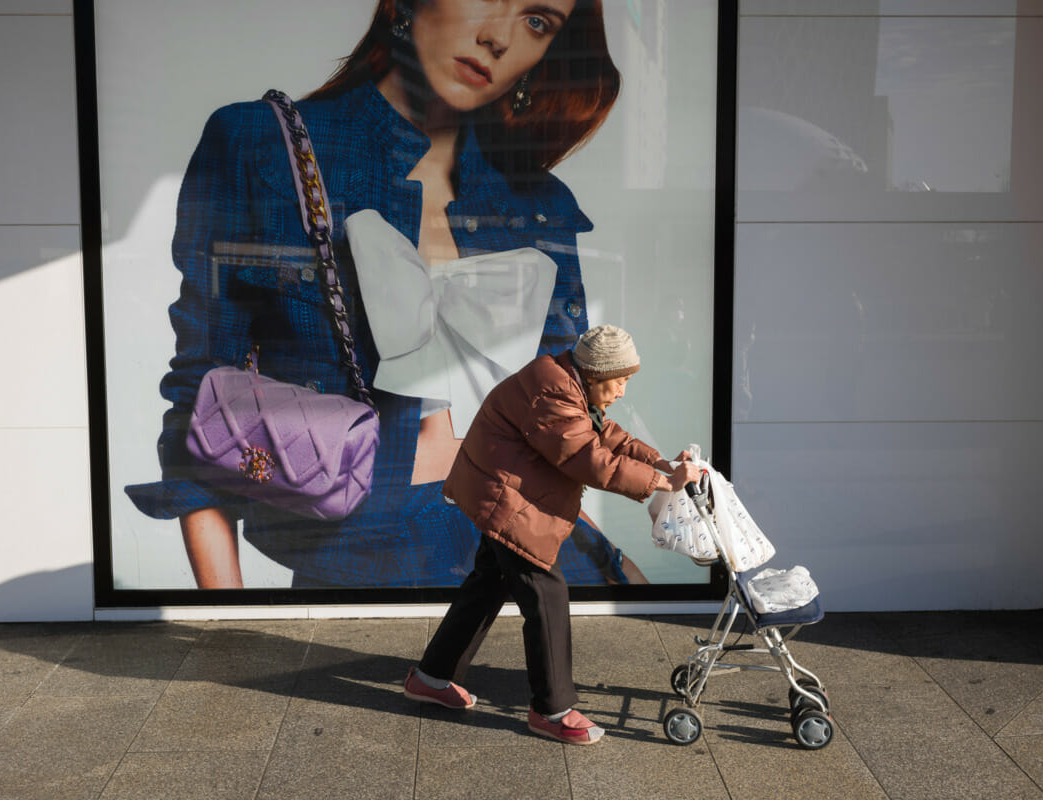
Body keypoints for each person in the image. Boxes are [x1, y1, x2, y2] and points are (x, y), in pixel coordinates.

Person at [125, 0, 639, 589]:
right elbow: (203, 396)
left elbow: (563, 413)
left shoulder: (537, 201)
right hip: (365, 562)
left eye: (537, 20)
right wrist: (227, 616)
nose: (499, 37)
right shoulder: (261, 146)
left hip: (536, 544)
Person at [404, 325, 703, 744]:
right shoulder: (554, 392)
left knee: (488, 583)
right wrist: (662, 482)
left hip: (504, 487)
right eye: (620, 381)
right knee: (547, 595)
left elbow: (605, 434)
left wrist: (661, 462)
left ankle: (431, 677)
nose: (622, 391)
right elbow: (589, 459)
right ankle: (552, 709)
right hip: (506, 498)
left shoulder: (568, 381)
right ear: (596, 374)